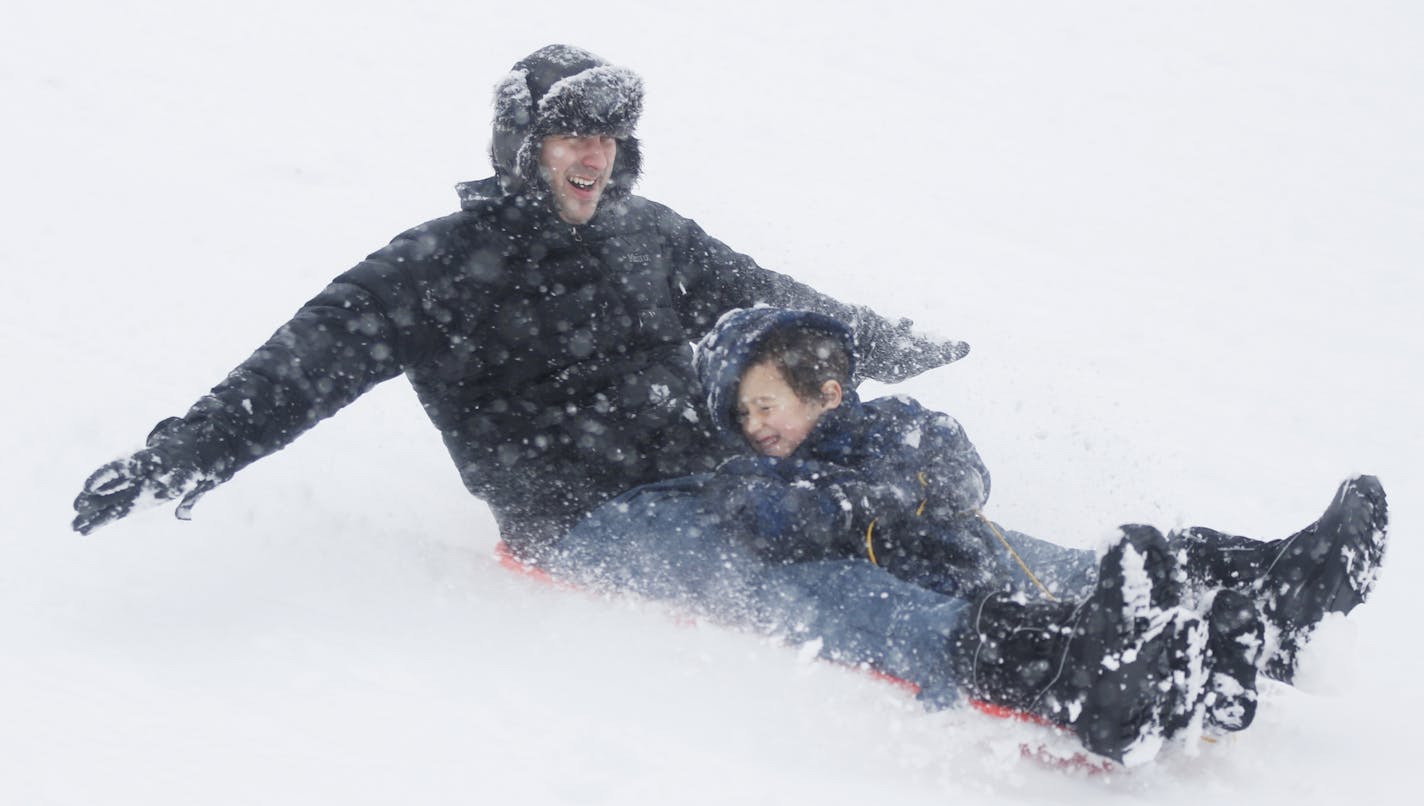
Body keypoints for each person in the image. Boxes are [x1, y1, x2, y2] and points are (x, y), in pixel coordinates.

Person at [70, 45, 967, 553]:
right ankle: (1017, 666)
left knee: (909, 522)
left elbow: (764, 299)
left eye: (610, 136)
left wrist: (878, 344)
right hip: (588, 522)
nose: (596, 155)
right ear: (521, 144)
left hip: (720, 475)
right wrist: (181, 456)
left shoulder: (648, 232)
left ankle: (1066, 605)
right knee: (814, 578)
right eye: (571, 134)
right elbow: (300, 369)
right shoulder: (434, 269)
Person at [543, 307, 1389, 764]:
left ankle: (1267, 586)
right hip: (922, 593)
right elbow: (783, 519)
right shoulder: (753, 476)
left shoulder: (894, 424)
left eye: (766, 404)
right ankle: (1098, 668)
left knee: (1066, 556)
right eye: (742, 415)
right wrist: (876, 499)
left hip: (972, 551)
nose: (755, 426)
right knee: (937, 605)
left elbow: (962, 472)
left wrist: (902, 487)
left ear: (824, 391)